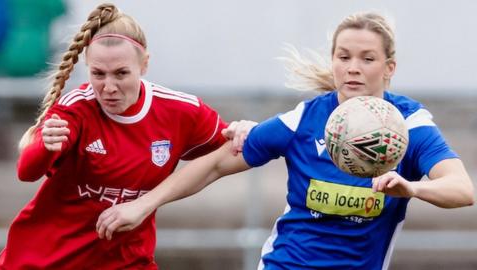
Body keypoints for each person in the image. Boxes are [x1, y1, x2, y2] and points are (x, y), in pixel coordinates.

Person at [96, 11, 475, 270]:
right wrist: (143, 205)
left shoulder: (409, 124)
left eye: (367, 58)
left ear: (389, 68)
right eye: (344, 56)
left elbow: (461, 189)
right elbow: (214, 163)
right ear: (333, 62)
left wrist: (411, 188)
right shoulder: (303, 119)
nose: (353, 67)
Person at [0, 3, 253, 269]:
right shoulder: (76, 108)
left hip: (128, 263)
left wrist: (248, 131)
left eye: (121, 73)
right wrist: (45, 145)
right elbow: (27, 171)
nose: (109, 87)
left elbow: (237, 150)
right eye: (98, 74)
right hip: (43, 262)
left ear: (144, 65)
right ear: (87, 67)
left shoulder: (180, 111)